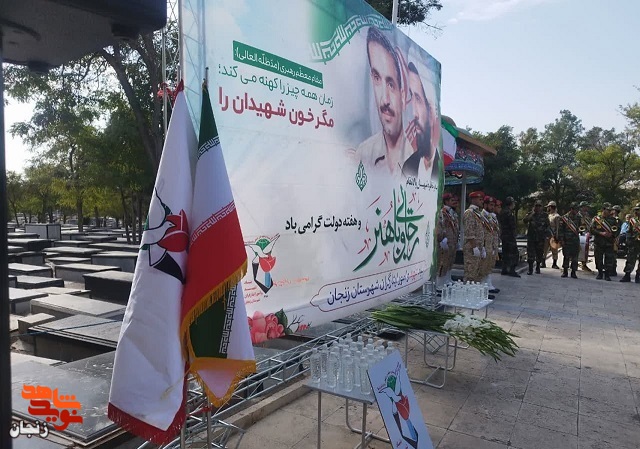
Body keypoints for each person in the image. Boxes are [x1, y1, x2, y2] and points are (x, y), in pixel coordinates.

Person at [355, 27, 414, 177]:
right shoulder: (363, 153)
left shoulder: (415, 160)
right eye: (376, 78)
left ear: (403, 96)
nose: (384, 100)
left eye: (391, 84)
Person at [402, 62, 437, 179]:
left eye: (418, 98)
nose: (414, 113)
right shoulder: (408, 166)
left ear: (431, 112)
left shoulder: (439, 166)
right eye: (411, 96)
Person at [435, 193, 459, 290]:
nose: (455, 202)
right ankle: (439, 283)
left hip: (452, 242)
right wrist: (441, 238)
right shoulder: (442, 213)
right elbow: (439, 226)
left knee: (450, 261)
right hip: (444, 242)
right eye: (452, 200)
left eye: (455, 200)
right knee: (443, 262)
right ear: (446, 201)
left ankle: (447, 280)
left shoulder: (452, 213)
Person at [463, 191, 487, 284]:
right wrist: (474, 247)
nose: (482, 201)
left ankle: (475, 290)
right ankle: (468, 290)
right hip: (471, 248)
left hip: (478, 246)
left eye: (482, 199)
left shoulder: (478, 213)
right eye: (480, 199)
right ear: (473, 200)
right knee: (470, 272)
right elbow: (470, 232)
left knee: (477, 271)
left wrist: (482, 247)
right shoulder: (469, 213)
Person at [590, 202, 619, 281]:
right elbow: (591, 229)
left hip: (609, 242)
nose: (609, 212)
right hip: (599, 242)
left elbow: (617, 229)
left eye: (610, 210)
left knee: (609, 259)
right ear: (603, 210)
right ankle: (600, 273)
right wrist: (600, 233)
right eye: (607, 210)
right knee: (598, 258)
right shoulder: (596, 219)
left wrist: (612, 234)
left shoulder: (613, 220)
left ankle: (607, 274)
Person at [523, 200, 550, 275]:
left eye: (539, 206)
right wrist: (532, 213)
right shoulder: (531, 214)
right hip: (532, 237)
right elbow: (525, 220)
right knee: (530, 253)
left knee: (539, 253)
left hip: (540, 238)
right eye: (536, 206)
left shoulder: (545, 215)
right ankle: (530, 269)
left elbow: (548, 225)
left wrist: (546, 235)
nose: (538, 207)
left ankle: (538, 267)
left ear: (542, 207)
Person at [480, 196, 500, 294]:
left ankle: (488, 284)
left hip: (491, 245)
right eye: (491, 205)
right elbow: (481, 232)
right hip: (485, 244)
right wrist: (482, 247)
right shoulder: (482, 216)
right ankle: (483, 286)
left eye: (493, 205)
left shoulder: (491, 216)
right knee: (483, 267)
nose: (492, 207)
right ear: (485, 205)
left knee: (489, 266)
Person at [557, 202, 581, 279]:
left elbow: (582, 227)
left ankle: (573, 272)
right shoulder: (564, 218)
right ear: (571, 209)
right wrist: (561, 240)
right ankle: (565, 271)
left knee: (575, 257)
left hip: (575, 240)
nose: (577, 211)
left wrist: (581, 229)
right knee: (566, 256)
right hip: (566, 240)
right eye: (576, 209)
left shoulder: (579, 218)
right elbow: (561, 230)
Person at [499, 196, 521, 277]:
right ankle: (512, 270)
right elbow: (512, 225)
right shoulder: (509, 213)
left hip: (504, 235)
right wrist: (514, 234)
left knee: (505, 252)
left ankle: (504, 269)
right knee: (514, 253)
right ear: (511, 203)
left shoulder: (502, 212)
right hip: (510, 236)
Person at [620, 204, 640, 283]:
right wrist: (629, 241)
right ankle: (627, 275)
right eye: (635, 210)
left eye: (638, 210)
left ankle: (638, 276)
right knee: (630, 259)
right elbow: (629, 232)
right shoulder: (632, 221)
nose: (636, 212)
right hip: (634, 243)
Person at [543, 201, 561, 269]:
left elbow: (558, 227)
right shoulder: (548, 215)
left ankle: (554, 264)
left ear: (551, 207)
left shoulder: (557, 216)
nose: (547, 208)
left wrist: (557, 236)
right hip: (547, 235)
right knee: (544, 249)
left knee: (554, 250)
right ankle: (543, 262)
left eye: (548, 207)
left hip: (553, 235)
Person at [578, 201, 593, 272]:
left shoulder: (587, 215)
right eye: (586, 206)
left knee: (585, 250)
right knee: (576, 249)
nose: (587, 208)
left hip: (586, 234)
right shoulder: (578, 215)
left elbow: (589, 224)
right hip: (578, 234)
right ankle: (572, 264)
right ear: (582, 207)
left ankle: (584, 264)